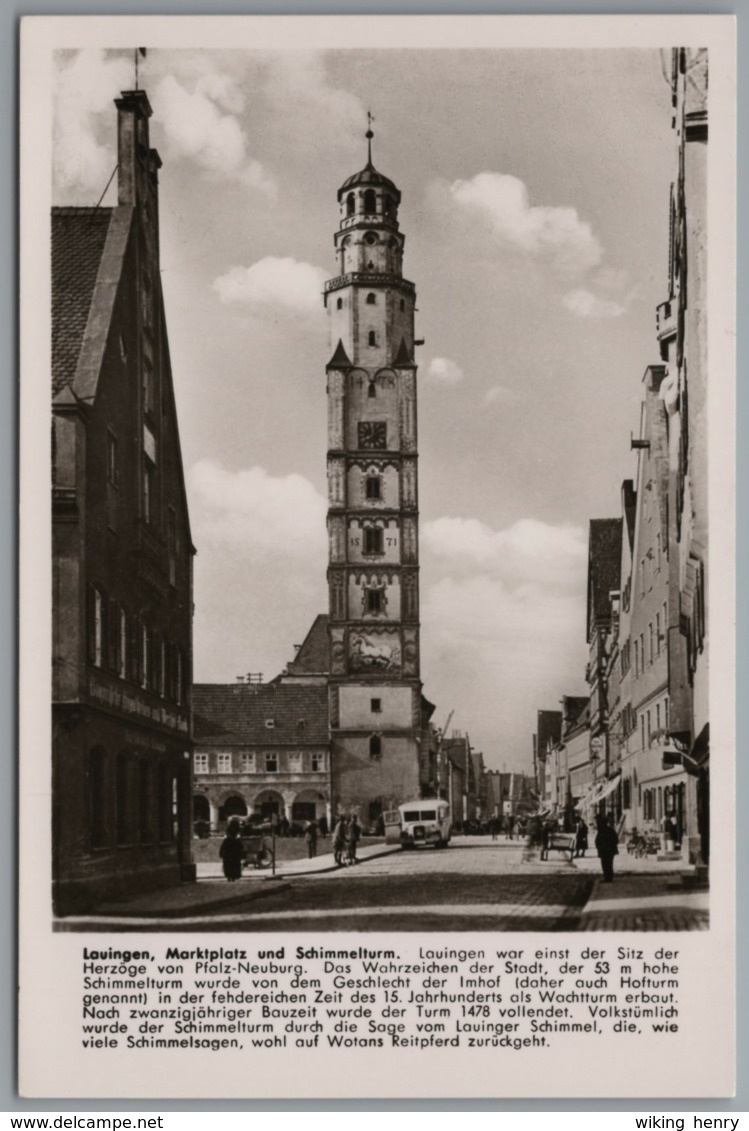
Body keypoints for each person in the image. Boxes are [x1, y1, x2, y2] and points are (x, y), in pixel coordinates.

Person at [594, 814, 619, 882]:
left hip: (606, 850)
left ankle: (608, 878)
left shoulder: (605, 831)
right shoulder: (609, 830)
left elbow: (616, 840)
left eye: (598, 822)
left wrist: (605, 845)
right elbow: (616, 840)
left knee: (606, 864)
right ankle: (608, 877)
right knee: (608, 864)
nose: (597, 824)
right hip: (607, 850)